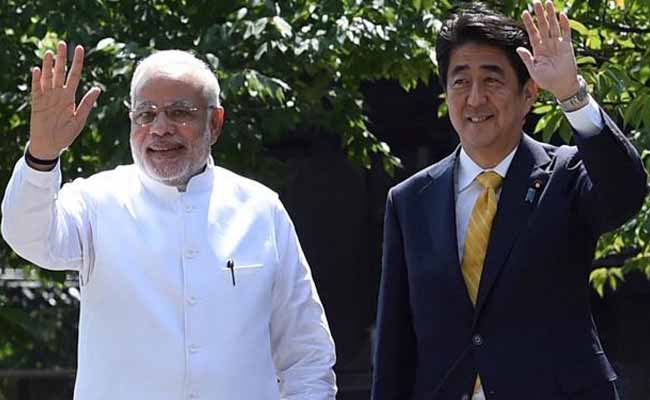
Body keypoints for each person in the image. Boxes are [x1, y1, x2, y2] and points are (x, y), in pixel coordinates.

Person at [1, 42, 337, 400]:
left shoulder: (262, 210)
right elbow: (28, 236)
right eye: (146, 114)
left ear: (215, 122)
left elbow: (306, 355)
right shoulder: (96, 201)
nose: (160, 128)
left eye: (180, 112)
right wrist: (42, 156)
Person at [371, 1, 647, 400]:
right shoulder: (410, 200)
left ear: (528, 94)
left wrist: (571, 94)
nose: (475, 99)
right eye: (460, 81)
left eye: (492, 80)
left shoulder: (566, 174)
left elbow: (625, 193)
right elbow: (395, 344)